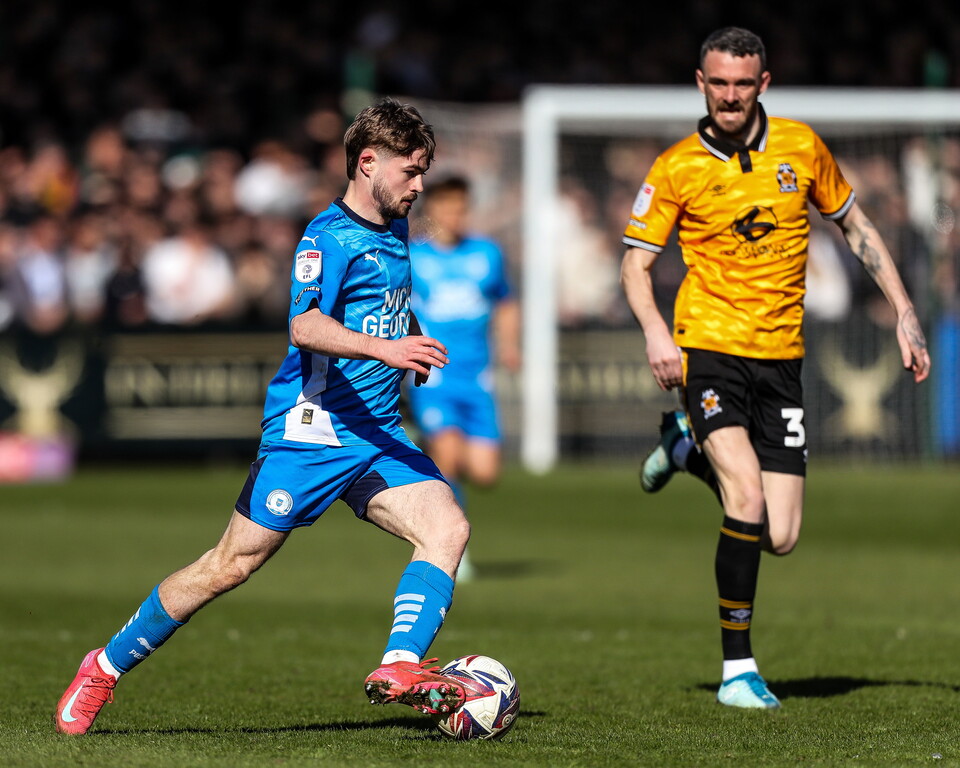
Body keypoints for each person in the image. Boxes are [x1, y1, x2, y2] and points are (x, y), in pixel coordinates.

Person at [55, 97, 472, 735]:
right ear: (367, 163)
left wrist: (405, 337)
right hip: (312, 433)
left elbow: (379, 306)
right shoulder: (325, 237)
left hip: (377, 432)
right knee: (230, 565)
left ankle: (399, 666)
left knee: (447, 530)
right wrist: (388, 348)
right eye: (411, 171)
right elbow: (304, 325)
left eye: (424, 172)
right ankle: (103, 669)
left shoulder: (396, 227)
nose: (420, 186)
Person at [620, 27, 930, 710]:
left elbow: (854, 225)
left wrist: (904, 309)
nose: (729, 95)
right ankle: (738, 671)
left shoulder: (800, 146)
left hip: (782, 359)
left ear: (763, 84)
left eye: (742, 83)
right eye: (717, 83)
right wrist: (654, 333)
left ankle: (681, 447)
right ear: (700, 83)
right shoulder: (675, 167)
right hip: (710, 350)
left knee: (781, 535)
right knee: (748, 502)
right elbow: (636, 263)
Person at [407, 175, 521, 580]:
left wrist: (510, 346)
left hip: (478, 376)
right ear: (432, 210)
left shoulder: (486, 254)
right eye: (447, 207)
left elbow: (506, 302)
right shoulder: (413, 255)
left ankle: (431, 456)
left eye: (461, 207)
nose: (454, 215)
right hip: (434, 377)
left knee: (486, 472)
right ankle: (452, 547)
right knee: (449, 458)